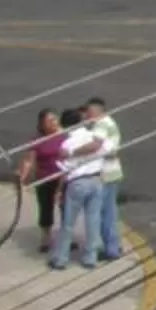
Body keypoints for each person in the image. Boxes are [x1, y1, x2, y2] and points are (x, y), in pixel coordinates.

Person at [54, 114, 109, 269]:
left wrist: (59, 191)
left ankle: (61, 259)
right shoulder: (94, 137)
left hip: (77, 182)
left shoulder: (67, 144)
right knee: (93, 220)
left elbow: (64, 169)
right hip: (97, 179)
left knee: (68, 222)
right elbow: (106, 152)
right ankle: (90, 258)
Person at [17, 109, 67, 252]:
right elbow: (28, 161)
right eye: (50, 121)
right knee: (45, 208)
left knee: (66, 208)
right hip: (44, 178)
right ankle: (46, 237)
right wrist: (22, 179)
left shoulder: (64, 135)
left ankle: (67, 236)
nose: (54, 123)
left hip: (62, 177)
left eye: (55, 119)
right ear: (42, 124)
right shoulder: (38, 140)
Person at [81, 98, 124, 261]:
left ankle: (110, 248)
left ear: (98, 111)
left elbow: (95, 145)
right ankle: (113, 245)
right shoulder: (108, 123)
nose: (87, 115)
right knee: (109, 211)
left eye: (89, 112)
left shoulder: (102, 125)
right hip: (112, 172)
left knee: (103, 212)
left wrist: (73, 153)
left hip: (105, 173)